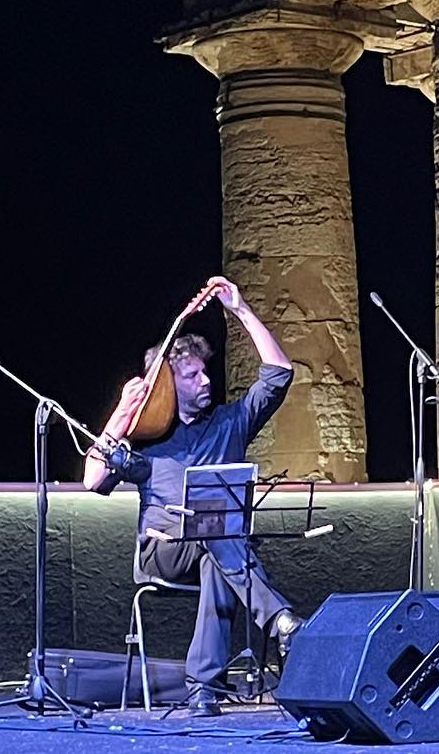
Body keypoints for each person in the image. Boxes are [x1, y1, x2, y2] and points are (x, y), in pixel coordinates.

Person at [83, 275, 301, 717]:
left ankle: (203, 689)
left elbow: (279, 374)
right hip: (162, 552)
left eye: (204, 371)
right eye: (191, 374)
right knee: (216, 537)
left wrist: (240, 309)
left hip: (215, 550)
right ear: (167, 384)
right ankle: (280, 620)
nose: (205, 380)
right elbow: (93, 478)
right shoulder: (148, 439)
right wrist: (122, 414)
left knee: (216, 540)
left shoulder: (229, 423)